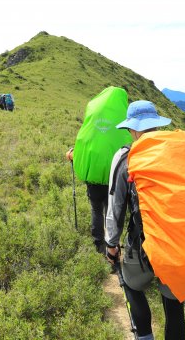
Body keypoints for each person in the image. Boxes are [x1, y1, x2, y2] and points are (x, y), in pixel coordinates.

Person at [105, 100, 185, 340]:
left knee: (132, 285)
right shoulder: (177, 155)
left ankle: (145, 336)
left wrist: (111, 244)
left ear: (133, 130)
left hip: (142, 244)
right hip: (176, 241)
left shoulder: (125, 158)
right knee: (173, 303)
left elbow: (116, 206)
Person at [65, 87, 132, 255]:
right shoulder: (125, 120)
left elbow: (83, 143)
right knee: (113, 210)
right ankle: (113, 245)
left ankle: (98, 245)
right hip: (116, 178)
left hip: (94, 178)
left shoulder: (92, 119)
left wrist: (73, 156)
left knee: (96, 210)